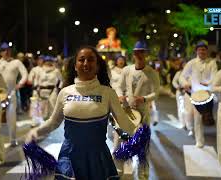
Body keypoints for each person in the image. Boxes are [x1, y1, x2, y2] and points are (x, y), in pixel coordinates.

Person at [26, 46, 137, 180]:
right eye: (81, 59)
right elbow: (53, 122)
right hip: (69, 157)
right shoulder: (65, 92)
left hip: (98, 158)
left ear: (97, 66)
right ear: (75, 66)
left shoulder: (107, 93)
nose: (86, 63)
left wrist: (139, 131)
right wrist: (36, 132)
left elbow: (123, 121)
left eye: (91, 60)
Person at [116, 41, 160, 179]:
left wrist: (145, 99)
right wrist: (120, 95)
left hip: (143, 113)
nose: (139, 55)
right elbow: (119, 86)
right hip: (126, 111)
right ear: (133, 54)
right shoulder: (127, 70)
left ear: (146, 54)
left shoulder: (152, 73)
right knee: (119, 142)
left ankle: (142, 175)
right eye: (137, 52)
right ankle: (117, 172)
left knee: (142, 145)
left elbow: (156, 93)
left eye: (142, 52)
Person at [179, 41, 218, 148]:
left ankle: (211, 138)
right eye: (200, 49)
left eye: (204, 49)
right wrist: (185, 83)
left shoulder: (212, 62)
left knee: (209, 117)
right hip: (194, 94)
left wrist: (209, 84)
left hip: (208, 93)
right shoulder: (191, 63)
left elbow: (215, 77)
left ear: (207, 51)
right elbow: (181, 77)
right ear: (196, 51)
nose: (202, 51)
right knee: (194, 116)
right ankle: (196, 136)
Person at [0, 42, 28, 146]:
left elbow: (25, 74)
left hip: (11, 91)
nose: (7, 52)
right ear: (1, 52)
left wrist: (21, 83)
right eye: (4, 50)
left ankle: (12, 139)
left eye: (8, 50)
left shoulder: (16, 62)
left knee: (11, 116)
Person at [172, 61, 194, 135]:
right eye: (184, 65)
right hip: (180, 93)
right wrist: (177, 87)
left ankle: (189, 126)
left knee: (189, 110)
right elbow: (174, 81)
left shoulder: (191, 74)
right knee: (181, 108)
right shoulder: (179, 73)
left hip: (189, 93)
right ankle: (182, 123)